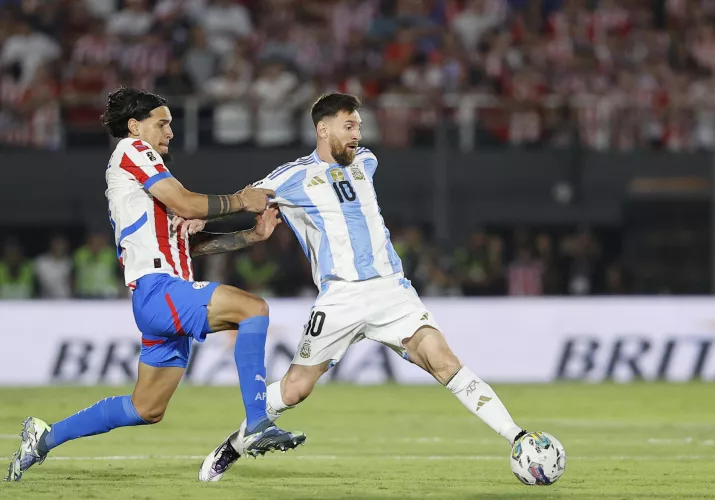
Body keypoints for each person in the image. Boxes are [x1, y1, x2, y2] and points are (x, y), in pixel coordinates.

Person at [199, 93, 542, 482]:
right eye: (349, 126)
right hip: (340, 297)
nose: (358, 134)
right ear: (322, 129)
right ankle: (233, 446)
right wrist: (198, 219)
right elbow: (245, 200)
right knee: (295, 390)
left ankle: (518, 438)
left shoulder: (366, 162)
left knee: (445, 362)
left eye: (359, 126)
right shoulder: (290, 178)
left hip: (392, 292)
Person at [5, 87, 305, 483]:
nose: (170, 132)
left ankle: (44, 438)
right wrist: (241, 200)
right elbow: (188, 204)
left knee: (145, 408)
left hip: (163, 297)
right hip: (159, 291)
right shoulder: (132, 150)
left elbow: (188, 241)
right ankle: (257, 423)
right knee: (254, 309)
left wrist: (250, 236)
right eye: (162, 123)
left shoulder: (147, 183)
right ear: (134, 126)